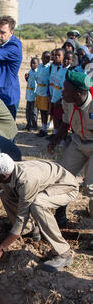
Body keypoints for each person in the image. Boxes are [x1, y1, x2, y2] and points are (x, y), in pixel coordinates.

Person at [0, 153, 78, 272]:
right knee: (5, 192)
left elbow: (21, 218)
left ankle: (63, 253)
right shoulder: (6, 173)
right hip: (44, 183)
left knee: (38, 204)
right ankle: (29, 231)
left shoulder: (26, 180)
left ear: (2, 175)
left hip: (65, 187)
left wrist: (0, 249)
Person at [48, 71, 93, 226]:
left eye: (65, 89)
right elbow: (66, 123)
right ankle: (60, 214)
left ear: (78, 93)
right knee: (63, 177)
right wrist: (54, 140)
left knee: (91, 187)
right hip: (78, 142)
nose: (62, 91)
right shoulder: (68, 101)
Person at [36, 51, 51, 137]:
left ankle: (45, 129)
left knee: (45, 111)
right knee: (41, 111)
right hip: (39, 92)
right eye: (44, 57)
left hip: (46, 93)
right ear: (41, 58)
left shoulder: (50, 67)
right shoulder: (40, 66)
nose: (46, 59)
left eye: (48, 57)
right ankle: (43, 127)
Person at [25, 57, 39, 131]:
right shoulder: (30, 71)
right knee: (28, 110)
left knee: (34, 111)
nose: (32, 64)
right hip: (29, 94)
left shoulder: (38, 72)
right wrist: (26, 78)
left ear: (38, 64)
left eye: (34, 63)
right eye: (31, 63)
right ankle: (28, 124)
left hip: (34, 95)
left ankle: (34, 125)